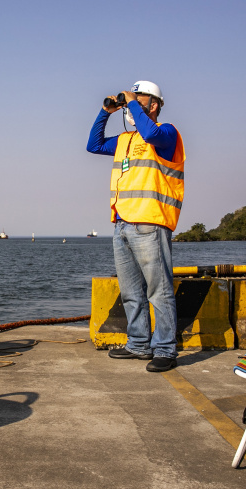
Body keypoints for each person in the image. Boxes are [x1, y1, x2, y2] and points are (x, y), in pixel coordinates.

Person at [86, 81, 185, 372]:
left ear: (153, 105)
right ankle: (138, 344)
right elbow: (93, 145)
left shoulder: (167, 132)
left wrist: (130, 103)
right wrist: (105, 111)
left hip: (151, 223)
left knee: (159, 290)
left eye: (139, 99)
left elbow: (151, 133)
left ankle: (165, 349)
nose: (131, 103)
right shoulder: (126, 140)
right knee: (131, 291)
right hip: (122, 224)